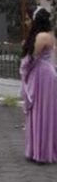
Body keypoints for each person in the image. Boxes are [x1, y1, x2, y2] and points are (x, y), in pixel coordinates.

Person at [20, 8, 57, 163]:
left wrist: (23, 68)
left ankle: (39, 151)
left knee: (39, 110)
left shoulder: (41, 36)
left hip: (41, 74)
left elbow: (33, 57)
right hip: (48, 73)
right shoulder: (51, 36)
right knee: (47, 111)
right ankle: (43, 148)